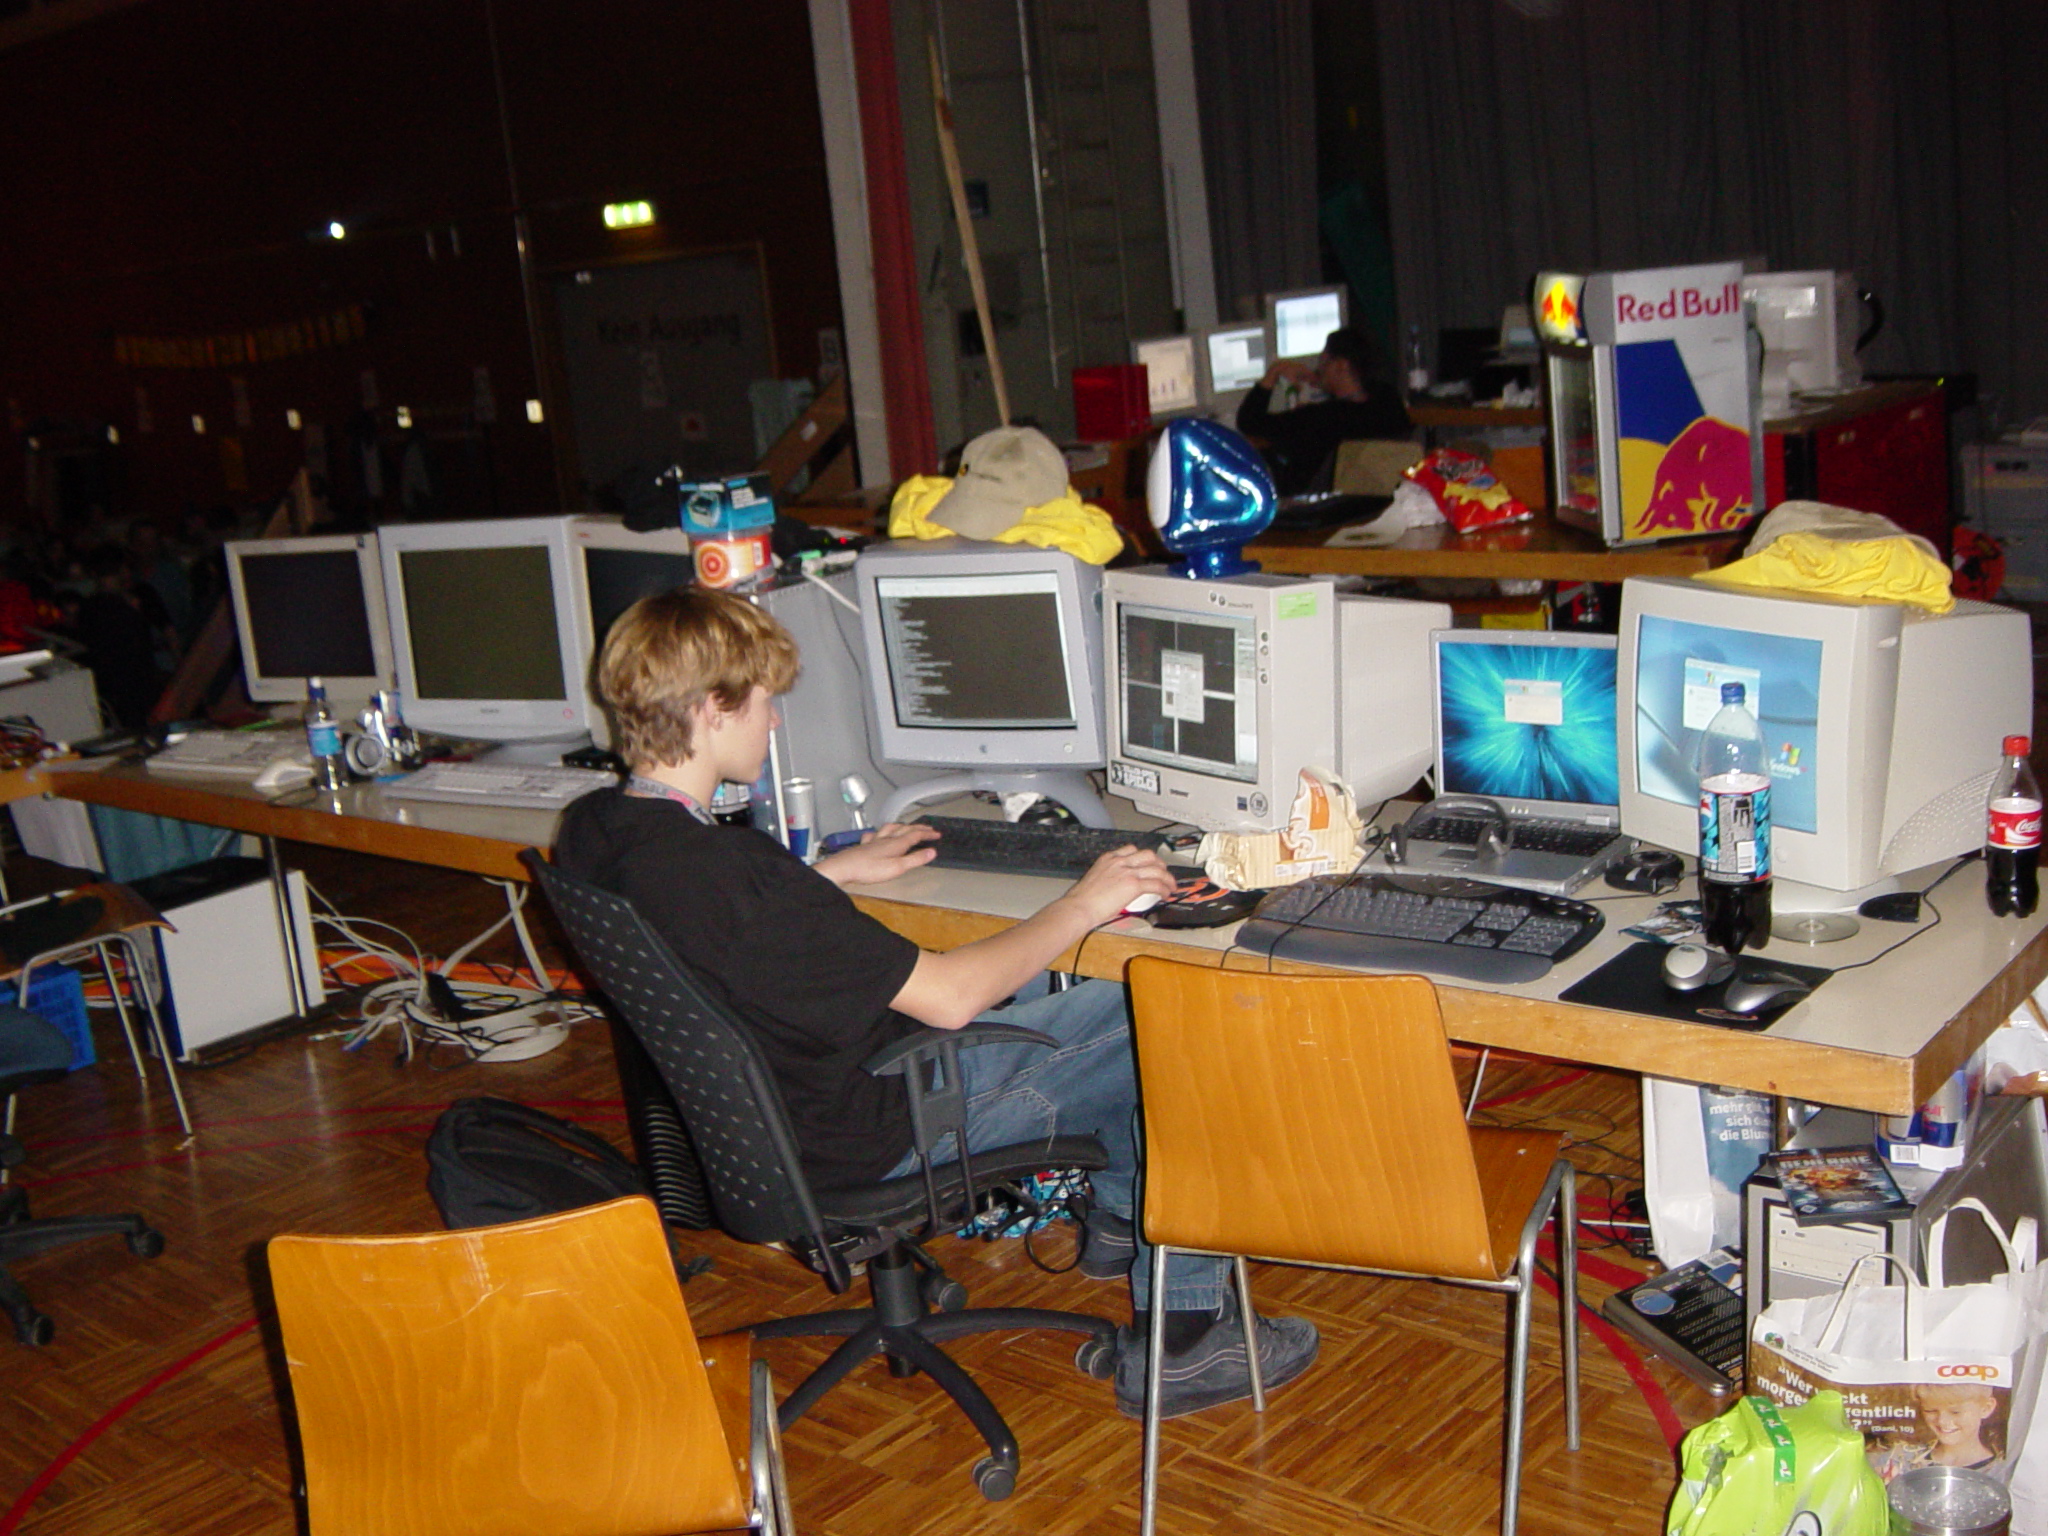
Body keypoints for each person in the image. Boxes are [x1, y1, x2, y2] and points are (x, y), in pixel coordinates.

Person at [553, 586, 1320, 1419]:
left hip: (787, 1126)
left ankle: (1119, 1226)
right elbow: (952, 999)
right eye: (765, 701)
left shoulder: (600, 828)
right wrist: (1083, 903)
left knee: (1081, 1002)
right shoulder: (732, 876)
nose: (773, 721)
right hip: (888, 1125)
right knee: (1173, 1021)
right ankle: (1185, 1338)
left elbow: (717, 925)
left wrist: (827, 875)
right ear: (712, 709)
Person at [1235, 324, 1411, 496]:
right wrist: (1324, 384)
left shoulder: (1321, 418)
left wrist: (1275, 371)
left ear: (1341, 365)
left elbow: (1249, 421)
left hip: (1317, 506)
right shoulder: (1390, 402)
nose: (1319, 368)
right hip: (1381, 503)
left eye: (1324, 361)